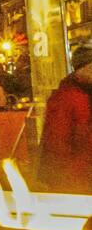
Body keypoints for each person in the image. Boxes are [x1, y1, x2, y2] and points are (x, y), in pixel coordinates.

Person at [38, 42, 92, 193]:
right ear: (83, 68)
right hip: (77, 181)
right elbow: (56, 144)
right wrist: (66, 181)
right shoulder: (64, 98)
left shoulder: (86, 93)